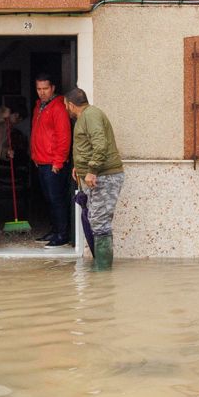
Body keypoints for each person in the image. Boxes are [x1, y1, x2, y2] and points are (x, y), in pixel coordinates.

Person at [63, 87, 123, 268]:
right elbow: (88, 146)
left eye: (66, 105)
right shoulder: (87, 116)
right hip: (95, 175)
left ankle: (103, 272)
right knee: (96, 220)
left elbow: (100, 143)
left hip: (103, 177)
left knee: (99, 222)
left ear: (71, 105)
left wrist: (92, 171)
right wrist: (79, 167)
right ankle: (101, 270)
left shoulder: (90, 116)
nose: (66, 109)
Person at [29, 73, 74, 247]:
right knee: (48, 198)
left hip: (53, 163)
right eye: (39, 89)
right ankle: (55, 230)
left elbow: (64, 136)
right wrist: (34, 155)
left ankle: (62, 234)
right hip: (41, 160)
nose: (42, 92)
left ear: (53, 88)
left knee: (57, 199)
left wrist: (58, 161)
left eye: (45, 89)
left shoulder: (58, 107)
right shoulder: (39, 105)